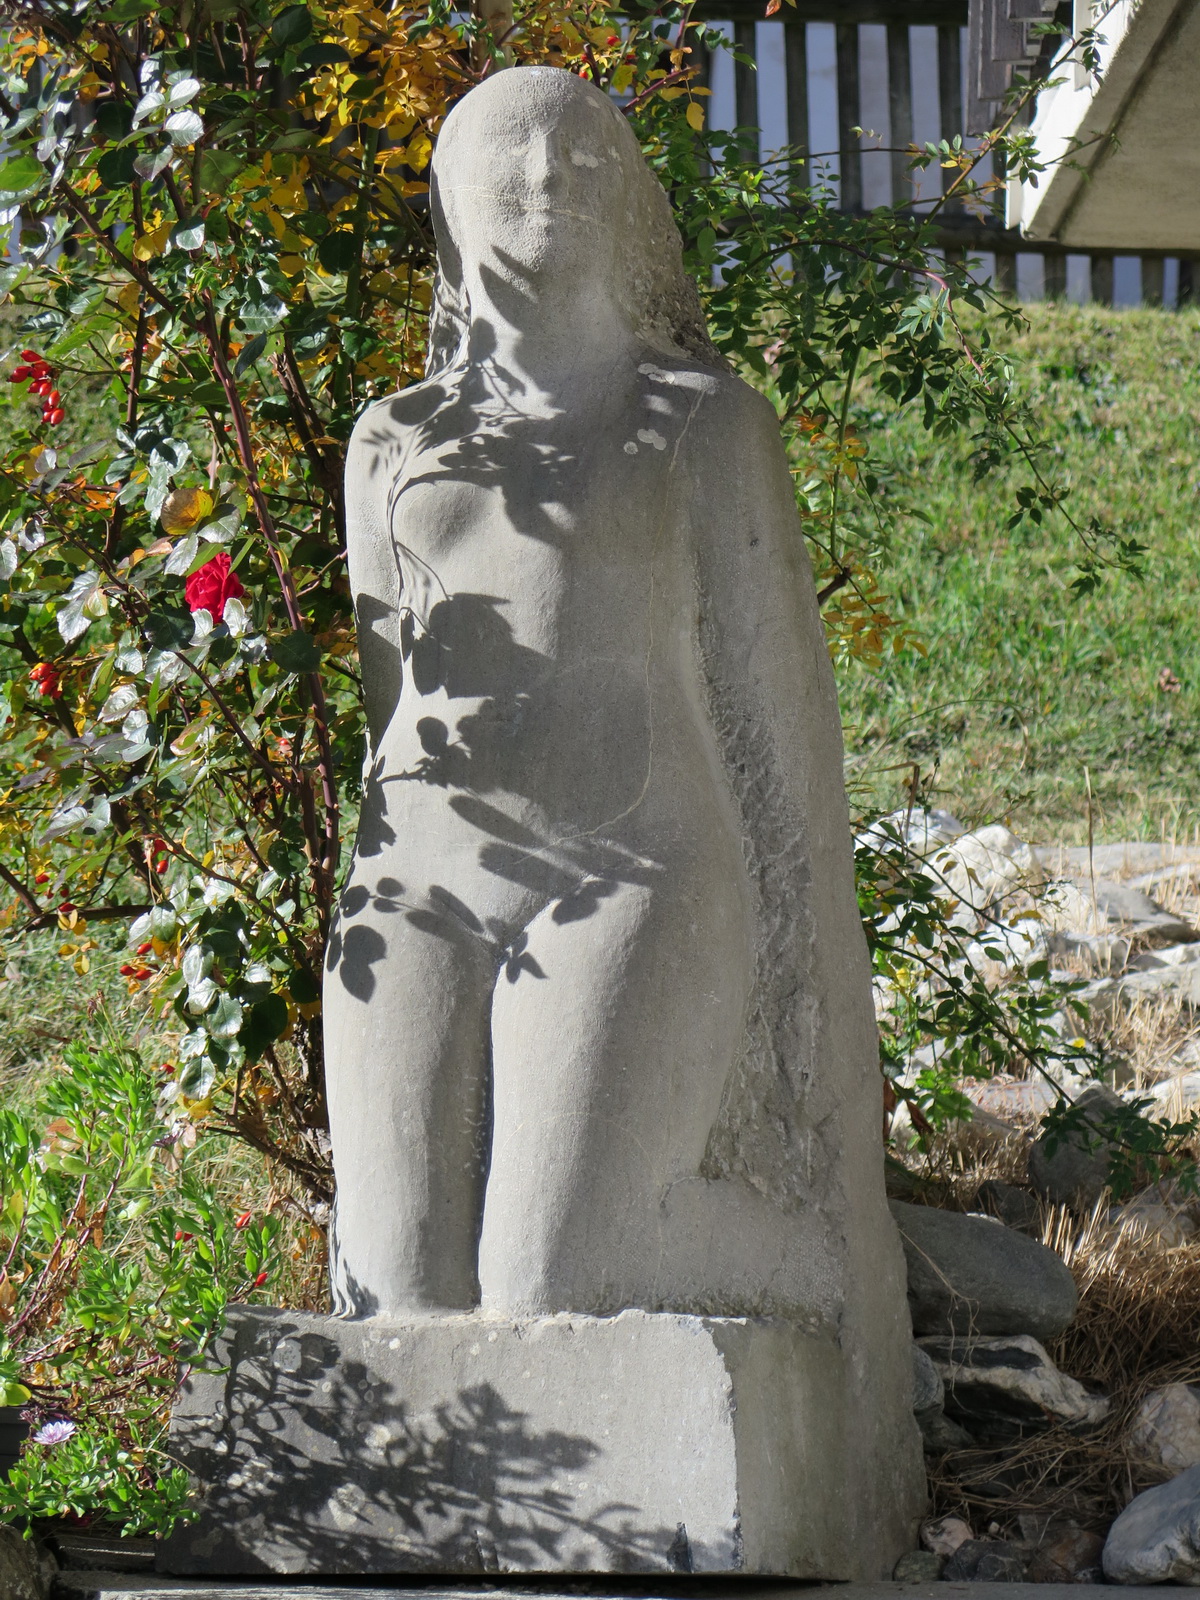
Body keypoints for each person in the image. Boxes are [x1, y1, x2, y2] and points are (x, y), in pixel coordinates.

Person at [324, 66, 876, 1324]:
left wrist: (810, 986)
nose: (548, 177)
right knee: (399, 1287)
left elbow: (777, 726)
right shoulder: (388, 443)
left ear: (628, 199)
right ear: (449, 201)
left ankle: (809, 1260)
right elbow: (386, 697)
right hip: (413, 889)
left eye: (585, 158)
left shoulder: (703, 424)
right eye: (512, 153)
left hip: (632, 870)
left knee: (551, 1277)